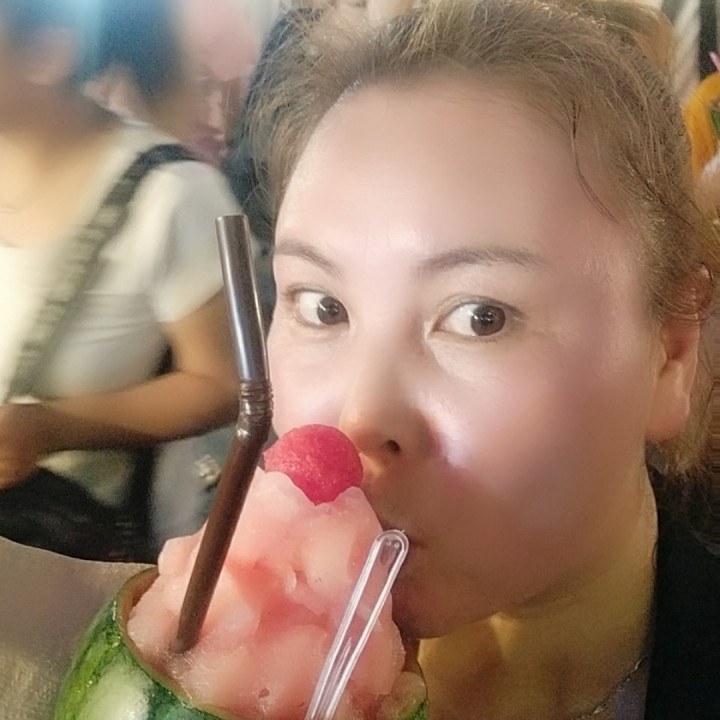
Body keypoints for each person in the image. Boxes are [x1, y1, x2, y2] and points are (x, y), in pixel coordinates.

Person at [240, 0, 720, 717]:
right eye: (323, 307)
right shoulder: (224, 662)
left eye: (480, 318)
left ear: (671, 354)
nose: (355, 424)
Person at [0, 0, 241, 559]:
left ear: (48, 54)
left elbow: (222, 386)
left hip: (49, 542)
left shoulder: (172, 195)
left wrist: (49, 427)